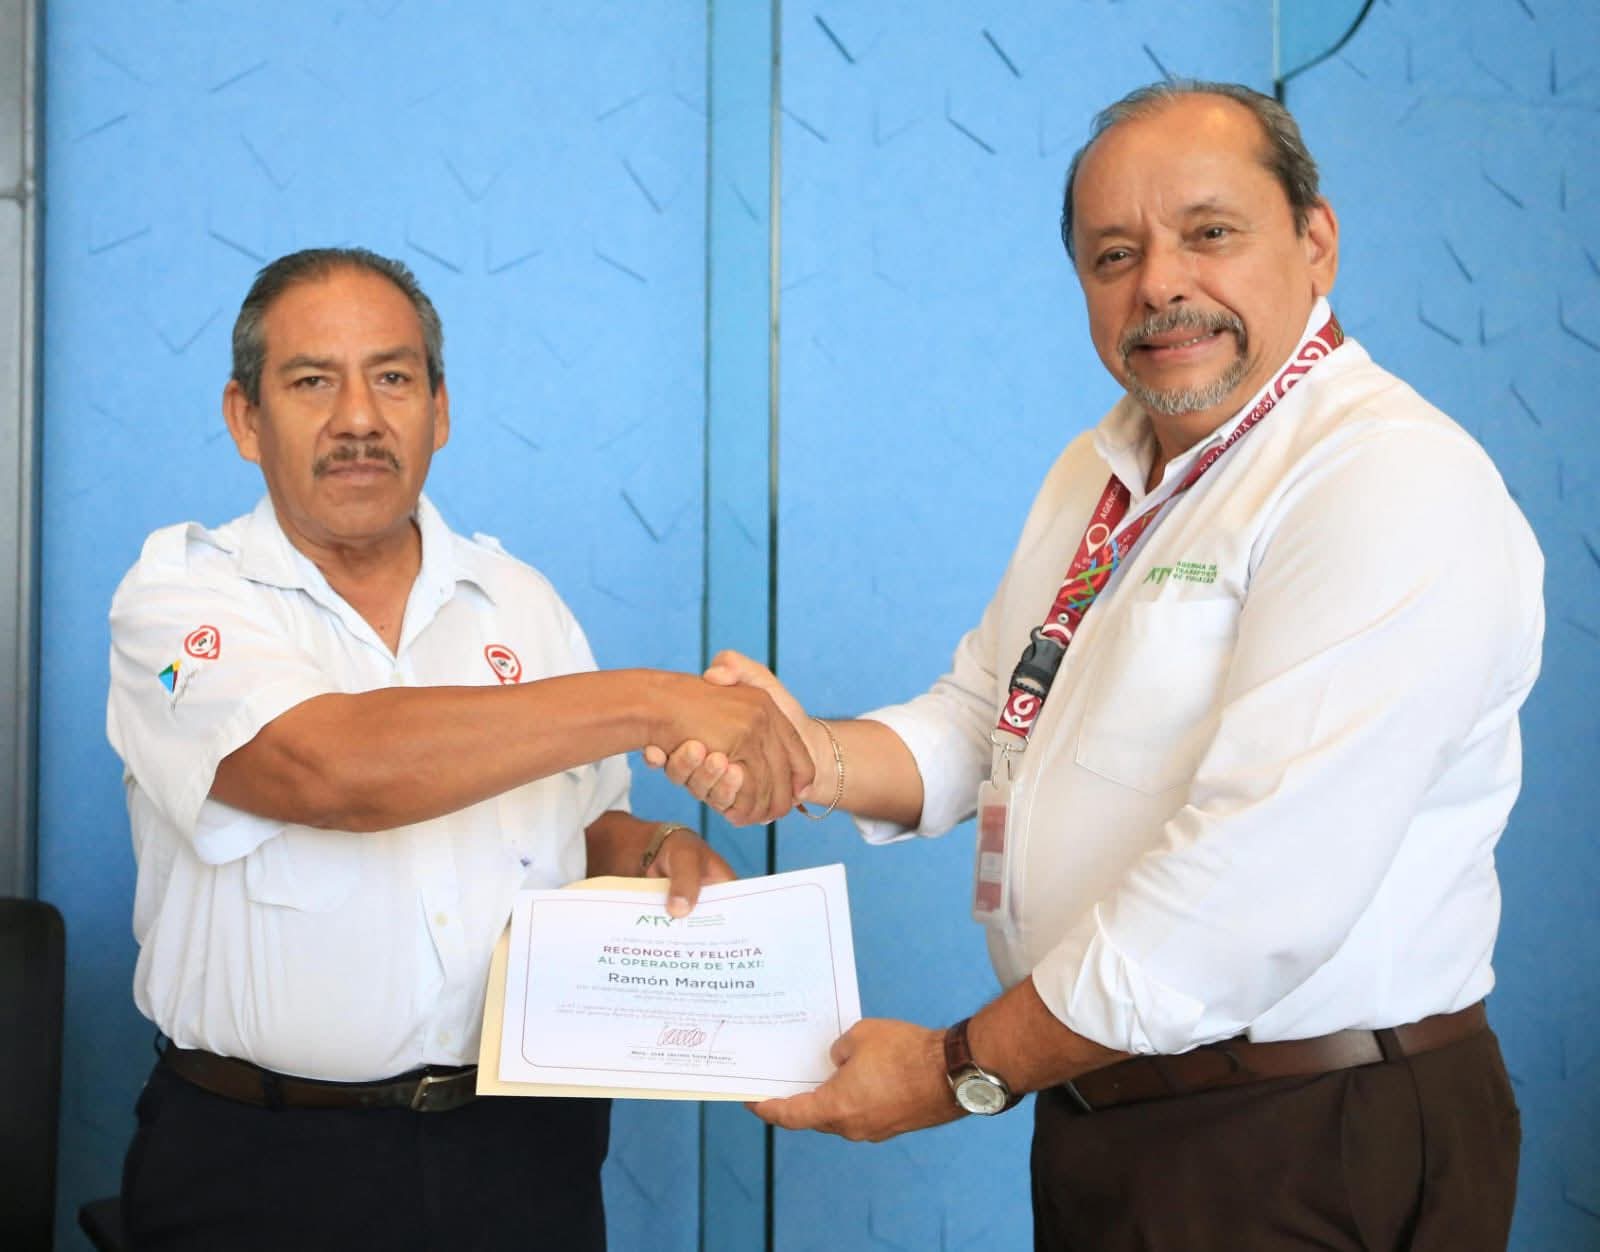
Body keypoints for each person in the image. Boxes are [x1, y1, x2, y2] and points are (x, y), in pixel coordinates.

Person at [653, 81, 1543, 1250]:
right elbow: (990, 712)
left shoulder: (1381, 480)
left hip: (1307, 1130)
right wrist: (805, 753)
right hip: (1110, 1110)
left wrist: (953, 1069)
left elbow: (1247, 893)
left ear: (1315, 241)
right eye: (1113, 253)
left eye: (1209, 232)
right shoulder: (1101, 468)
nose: (1159, 282)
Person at [105, 246, 811, 1251]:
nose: (358, 418)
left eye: (393, 378)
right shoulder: (180, 597)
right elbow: (330, 769)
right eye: (312, 382)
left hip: (523, 1152)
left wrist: (653, 851)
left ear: (439, 410)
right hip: (263, 1159)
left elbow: (579, 827)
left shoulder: (520, 602)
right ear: (244, 418)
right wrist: (655, 702)